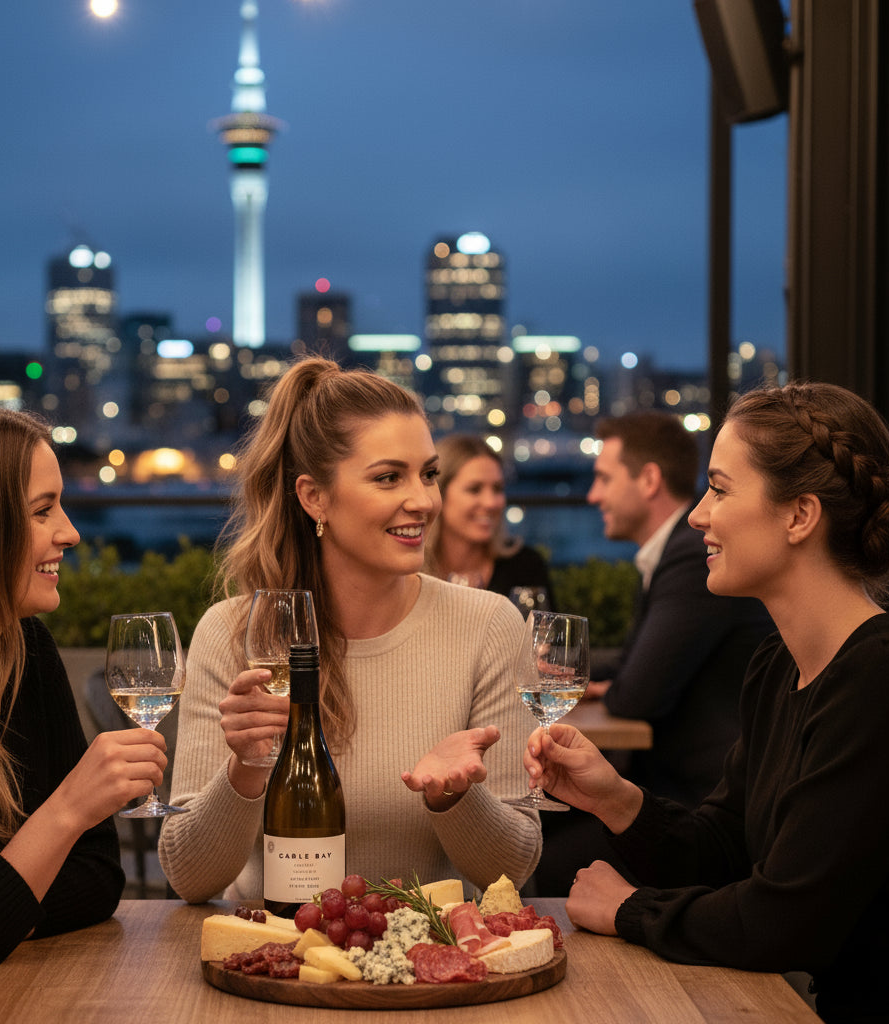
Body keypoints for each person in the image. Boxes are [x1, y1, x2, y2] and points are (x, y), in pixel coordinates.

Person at [524, 382, 889, 1023]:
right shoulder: (777, 665)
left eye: (721, 489)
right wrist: (614, 798)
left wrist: (629, 910)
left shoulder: (884, 676)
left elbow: (788, 922)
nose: (697, 515)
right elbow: (723, 850)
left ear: (800, 516)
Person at [158, 358, 541, 903]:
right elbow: (189, 878)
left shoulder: (489, 625)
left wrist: (455, 797)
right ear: (314, 497)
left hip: (424, 972)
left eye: (429, 474)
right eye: (389, 477)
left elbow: (516, 866)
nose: (424, 501)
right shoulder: (233, 634)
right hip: (275, 968)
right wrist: (245, 769)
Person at [0, 400, 168, 1021]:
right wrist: (69, 807)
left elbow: (99, 880)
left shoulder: (24, 650)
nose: (70, 532)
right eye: (43, 511)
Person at [534, 410, 771, 895]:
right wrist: (589, 674)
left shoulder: (691, 555)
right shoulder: (677, 553)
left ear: (648, 480)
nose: (592, 495)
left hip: (704, 804)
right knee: (542, 825)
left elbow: (634, 696)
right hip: (688, 796)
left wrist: (609, 684)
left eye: (603, 478)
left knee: (549, 852)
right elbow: (632, 665)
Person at [424, 434, 556, 607]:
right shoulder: (410, 570)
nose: (491, 502)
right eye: (474, 489)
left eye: (497, 489)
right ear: (438, 494)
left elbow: (544, 632)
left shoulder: (526, 567)